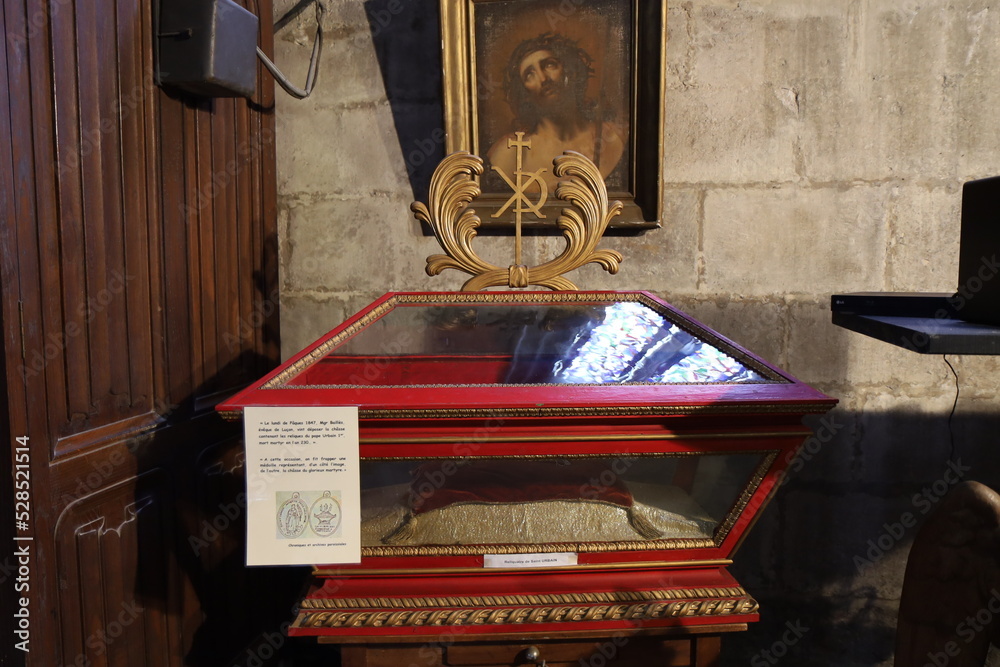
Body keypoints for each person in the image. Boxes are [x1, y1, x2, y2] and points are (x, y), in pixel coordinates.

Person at [486, 32, 625, 191]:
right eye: (530, 75)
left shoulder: (611, 136)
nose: (544, 78)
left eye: (549, 65)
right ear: (525, 94)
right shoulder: (510, 153)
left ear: (570, 72)